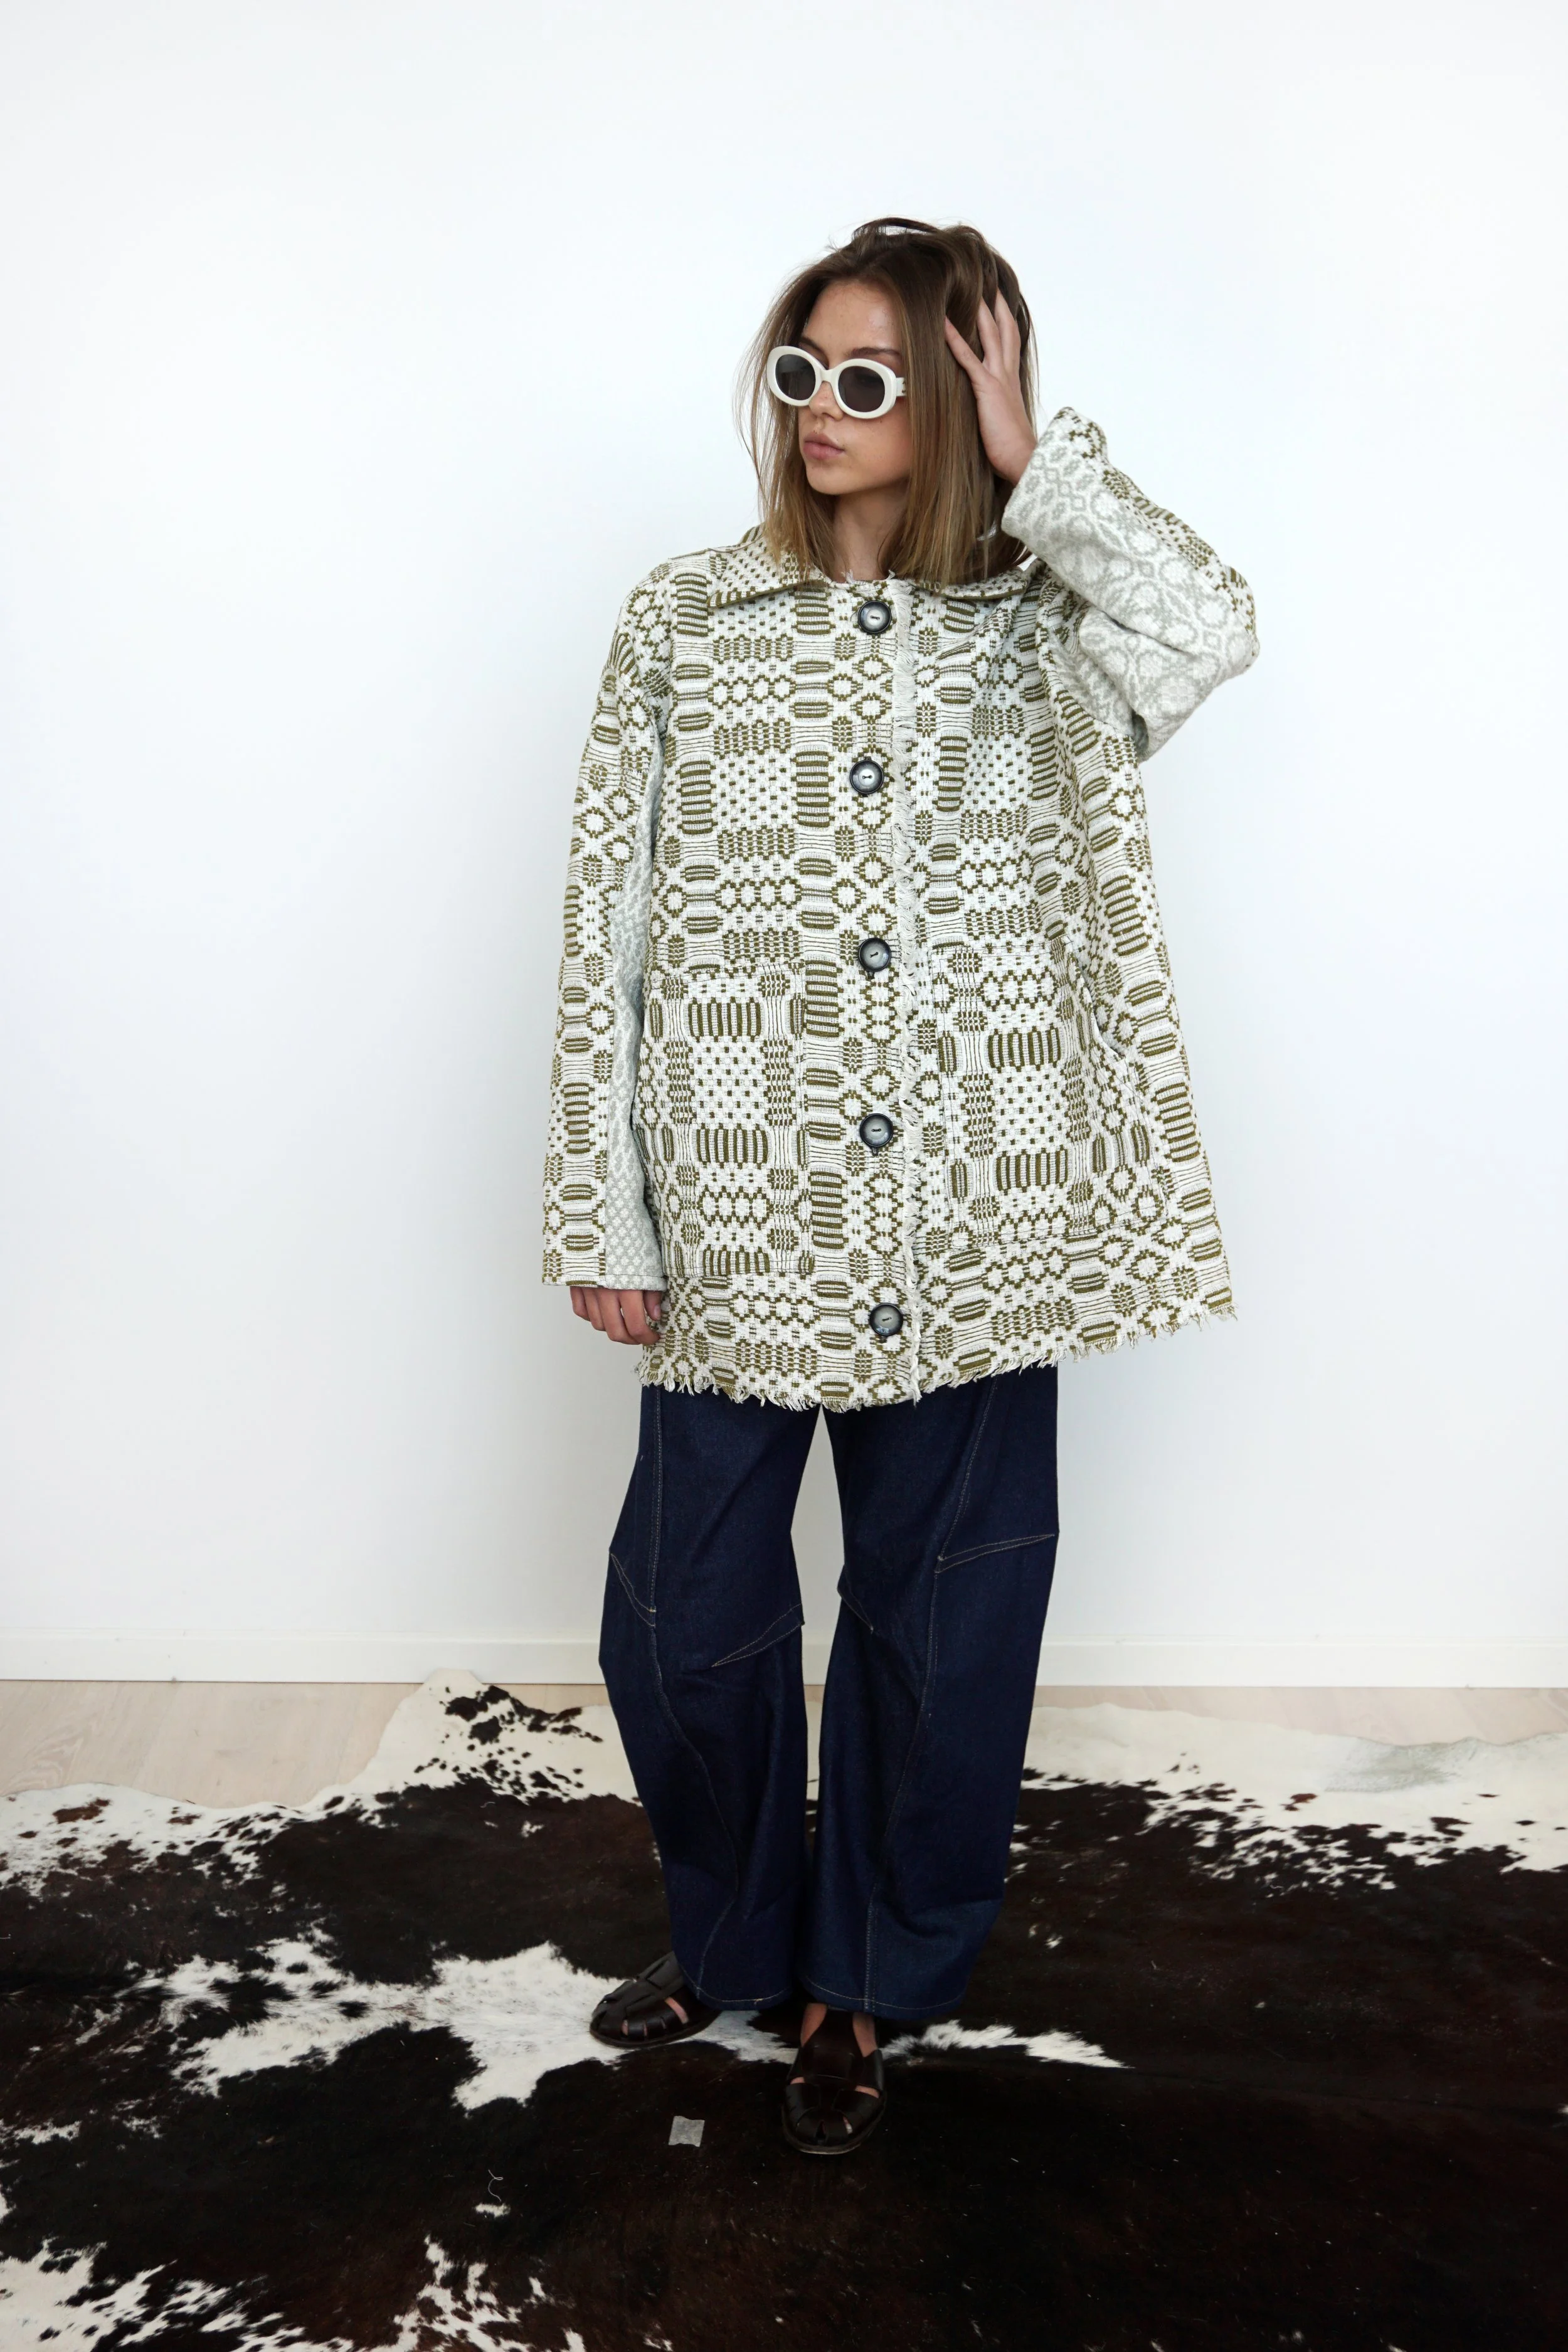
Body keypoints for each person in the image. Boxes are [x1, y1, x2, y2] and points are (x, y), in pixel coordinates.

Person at [543, 217, 1257, 2155]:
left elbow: (1211, 626)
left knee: (940, 1629)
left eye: (870, 378)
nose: (823, 409)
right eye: (802, 369)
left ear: (951, 398)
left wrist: (1044, 466)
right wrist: (603, 1204)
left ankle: (867, 1979)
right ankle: (736, 1938)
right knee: (680, 1622)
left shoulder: (1049, 630)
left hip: (977, 1218)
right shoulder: (684, 619)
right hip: (741, 1209)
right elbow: (609, 924)